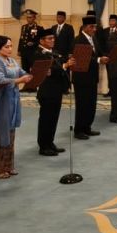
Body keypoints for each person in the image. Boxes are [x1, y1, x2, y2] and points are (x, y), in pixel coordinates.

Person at [0, 36, 32, 179]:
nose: (10, 49)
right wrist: (19, 80)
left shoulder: (11, 60)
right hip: (1, 102)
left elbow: (21, 72)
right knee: (0, 135)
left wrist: (29, 75)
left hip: (12, 100)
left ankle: (9, 165)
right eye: (7, 46)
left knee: (11, 134)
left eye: (11, 46)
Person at [34, 28, 73, 156]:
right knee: (46, 119)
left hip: (56, 90)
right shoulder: (38, 53)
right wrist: (65, 66)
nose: (52, 40)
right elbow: (49, 70)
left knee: (53, 119)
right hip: (46, 91)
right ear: (41, 41)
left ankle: (50, 143)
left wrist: (64, 63)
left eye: (53, 38)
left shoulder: (53, 52)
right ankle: (43, 146)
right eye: (49, 39)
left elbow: (57, 65)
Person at [70, 16, 102, 140]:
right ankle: (79, 130)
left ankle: (87, 127)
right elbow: (83, 58)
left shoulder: (94, 39)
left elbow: (97, 53)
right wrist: (99, 60)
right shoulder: (78, 40)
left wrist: (105, 57)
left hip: (92, 76)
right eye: (91, 27)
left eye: (95, 27)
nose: (94, 29)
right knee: (82, 104)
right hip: (81, 78)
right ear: (84, 27)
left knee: (91, 104)